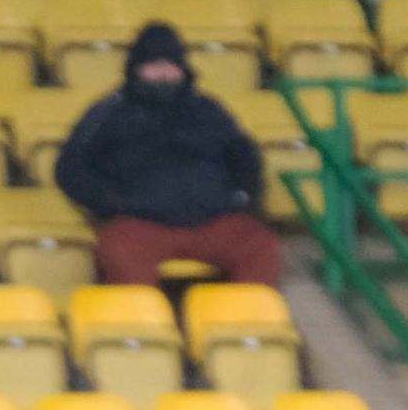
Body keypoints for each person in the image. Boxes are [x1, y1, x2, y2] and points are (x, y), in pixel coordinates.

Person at [55, 23, 281, 288]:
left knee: (261, 247)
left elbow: (243, 154)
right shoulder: (108, 113)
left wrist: (240, 195)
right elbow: (70, 168)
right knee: (120, 254)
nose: (163, 73)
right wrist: (112, 203)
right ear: (136, 68)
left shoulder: (208, 109)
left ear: (182, 68)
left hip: (213, 220)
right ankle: (145, 327)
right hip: (140, 224)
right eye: (154, 65)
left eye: (170, 65)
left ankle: (246, 326)